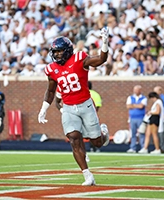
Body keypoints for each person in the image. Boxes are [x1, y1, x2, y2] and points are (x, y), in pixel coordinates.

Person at [38, 28, 110, 186]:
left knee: (97, 142)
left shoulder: (80, 58)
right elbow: (51, 91)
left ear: (68, 50)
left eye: (59, 52)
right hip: (69, 107)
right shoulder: (51, 69)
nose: (57, 55)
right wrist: (44, 108)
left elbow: (101, 60)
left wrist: (104, 43)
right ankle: (87, 175)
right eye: (54, 52)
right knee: (73, 138)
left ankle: (104, 133)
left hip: (86, 104)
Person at [126, 85, 147, 153]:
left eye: (137, 90)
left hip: (140, 117)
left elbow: (141, 106)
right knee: (133, 133)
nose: (135, 91)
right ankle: (133, 147)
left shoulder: (144, 98)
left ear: (140, 90)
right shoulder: (130, 97)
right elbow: (128, 106)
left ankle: (143, 147)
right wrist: (137, 105)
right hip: (132, 118)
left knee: (141, 133)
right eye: (134, 90)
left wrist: (133, 105)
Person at [88, 81, 103, 152]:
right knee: (94, 132)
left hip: (82, 115)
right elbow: (97, 106)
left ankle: (90, 147)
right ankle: (95, 147)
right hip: (92, 115)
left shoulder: (82, 93)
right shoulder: (95, 94)